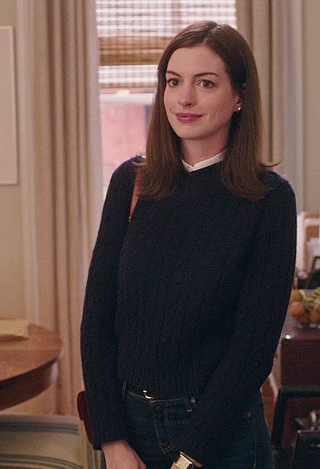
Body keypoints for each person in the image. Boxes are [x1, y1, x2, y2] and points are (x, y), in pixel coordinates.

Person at [81, 21, 296, 469]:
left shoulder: (269, 198)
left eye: (206, 83)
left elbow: (254, 348)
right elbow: (97, 319)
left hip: (223, 436)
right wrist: (112, 440)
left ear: (239, 97)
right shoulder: (131, 183)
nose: (184, 99)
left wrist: (189, 457)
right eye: (174, 81)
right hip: (130, 429)